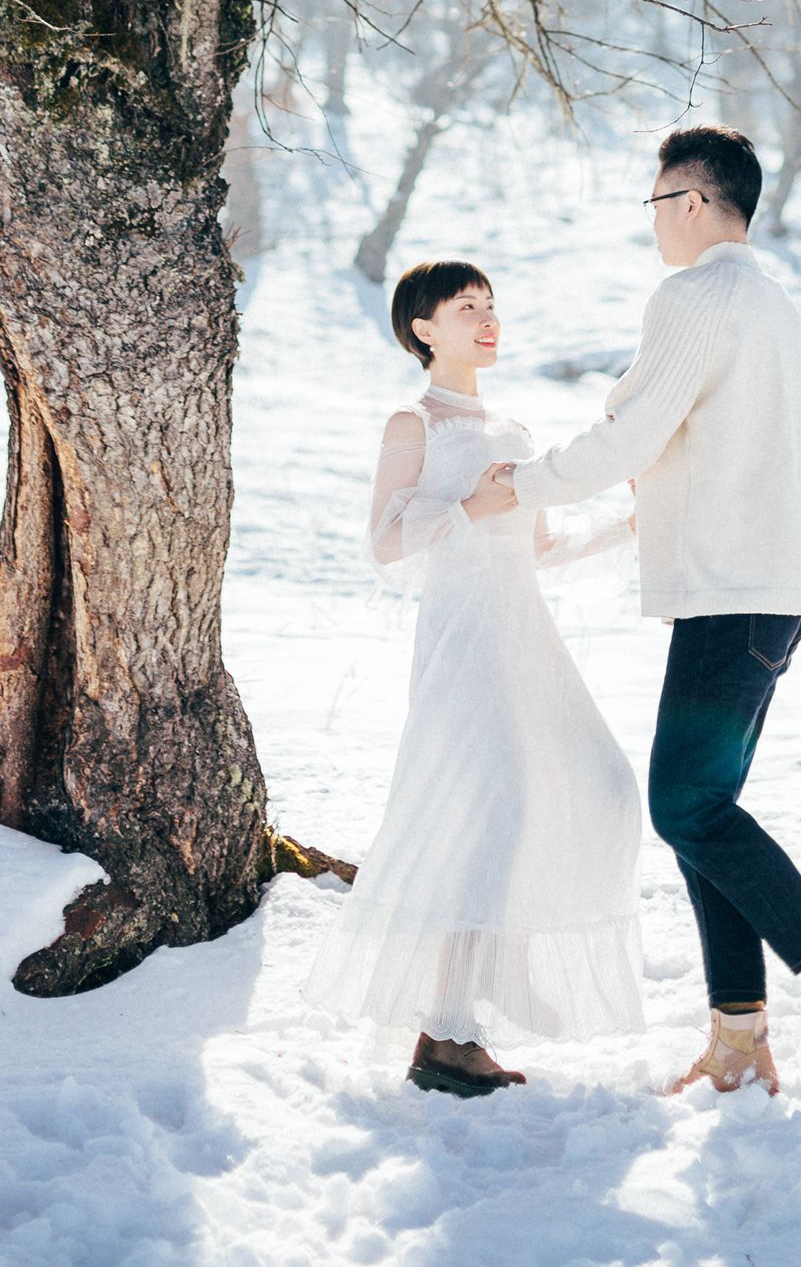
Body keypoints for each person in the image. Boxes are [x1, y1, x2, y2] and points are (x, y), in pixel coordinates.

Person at [500, 122, 801, 1098]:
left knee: (683, 806)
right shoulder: (775, 309)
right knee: (702, 812)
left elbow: (628, 432)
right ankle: (736, 1037)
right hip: (769, 594)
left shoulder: (695, 295)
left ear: (691, 201)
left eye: (653, 204)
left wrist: (516, 487)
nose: (651, 226)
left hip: (732, 593)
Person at [305, 259, 643, 1096]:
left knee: (602, 789)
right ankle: (446, 1036)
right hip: (462, 643)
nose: (488, 319)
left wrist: (633, 522)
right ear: (424, 329)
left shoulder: (515, 432)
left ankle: (496, 967)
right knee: (492, 816)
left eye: (492, 306)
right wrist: (470, 509)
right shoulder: (412, 422)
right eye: (467, 308)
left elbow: (543, 549)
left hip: (527, 638)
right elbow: (385, 543)